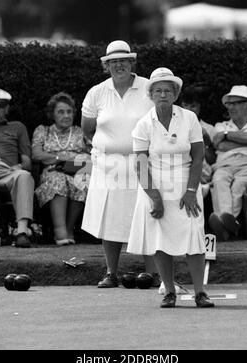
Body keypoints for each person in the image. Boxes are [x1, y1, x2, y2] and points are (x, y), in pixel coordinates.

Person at [127, 67, 215, 308]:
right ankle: (169, 291)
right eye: (158, 90)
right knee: (160, 240)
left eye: (168, 90)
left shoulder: (189, 118)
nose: (163, 94)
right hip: (155, 186)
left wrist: (189, 191)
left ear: (175, 94)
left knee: (194, 238)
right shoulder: (143, 124)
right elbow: (140, 163)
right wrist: (153, 196)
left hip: (187, 184)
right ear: (151, 94)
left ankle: (200, 293)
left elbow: (198, 158)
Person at [81, 40, 159, 288]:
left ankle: (154, 273)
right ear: (107, 66)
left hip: (144, 162)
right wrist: (110, 148)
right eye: (113, 62)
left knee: (147, 214)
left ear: (132, 62)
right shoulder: (97, 92)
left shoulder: (149, 88)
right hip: (108, 165)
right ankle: (111, 273)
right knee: (109, 219)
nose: (119, 65)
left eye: (123, 60)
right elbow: (87, 128)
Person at [209, 85, 247, 241]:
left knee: (239, 186)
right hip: (224, 165)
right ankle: (230, 224)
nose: (230, 107)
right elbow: (219, 144)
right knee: (219, 180)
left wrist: (227, 135)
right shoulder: (220, 126)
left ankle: (223, 224)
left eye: (235, 103)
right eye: (229, 104)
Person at [32, 92, 91, 245]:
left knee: (83, 181)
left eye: (69, 112)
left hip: (76, 170)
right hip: (52, 172)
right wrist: (60, 158)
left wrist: (75, 162)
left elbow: (94, 154)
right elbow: (37, 154)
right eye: (61, 112)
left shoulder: (81, 131)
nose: (66, 115)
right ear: (53, 114)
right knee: (58, 179)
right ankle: (60, 231)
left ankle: (70, 228)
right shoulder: (43, 131)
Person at [0, 88, 34, 248]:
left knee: (23, 175)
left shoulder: (17, 127)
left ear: (7, 108)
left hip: (6, 171)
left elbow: (27, 162)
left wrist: (19, 167)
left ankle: (22, 232)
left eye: (2, 105)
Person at [180, 86, 217, 197]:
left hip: (202, 174)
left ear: (200, 107)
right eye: (186, 105)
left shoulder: (209, 129)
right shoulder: (174, 127)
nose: (189, 110)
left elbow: (212, 160)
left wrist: (206, 142)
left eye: (193, 106)